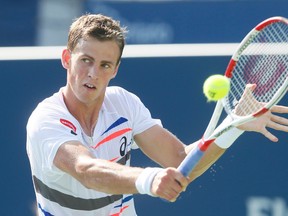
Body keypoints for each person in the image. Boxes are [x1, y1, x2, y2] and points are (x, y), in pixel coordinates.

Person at [26, 14, 288, 216]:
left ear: (115, 70)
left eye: (105, 65)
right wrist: (148, 179)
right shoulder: (46, 119)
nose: (93, 73)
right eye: (86, 60)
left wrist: (234, 124)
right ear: (66, 59)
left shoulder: (124, 104)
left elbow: (179, 159)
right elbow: (86, 170)